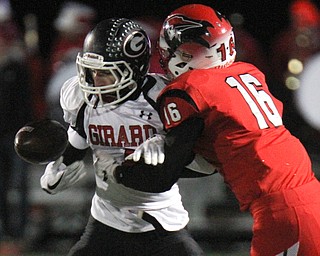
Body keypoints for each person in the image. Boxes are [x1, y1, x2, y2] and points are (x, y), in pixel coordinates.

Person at [111, 4, 320, 256]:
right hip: (309, 194)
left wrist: (124, 171)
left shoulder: (189, 88)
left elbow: (168, 170)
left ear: (188, 51)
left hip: (281, 210)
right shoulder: (249, 73)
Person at [40, 18, 209, 256]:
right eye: (91, 71)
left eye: (105, 73)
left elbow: (203, 164)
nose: (94, 81)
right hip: (107, 220)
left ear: (134, 69)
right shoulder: (84, 101)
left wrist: (169, 148)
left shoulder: (163, 99)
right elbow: (74, 146)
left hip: (161, 220)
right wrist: (55, 171)